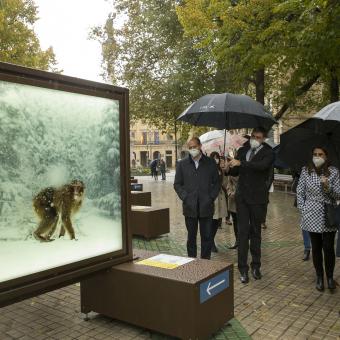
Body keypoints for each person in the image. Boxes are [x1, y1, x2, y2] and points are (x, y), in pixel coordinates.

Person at [227, 127, 274, 283]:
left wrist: (242, 162)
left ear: (263, 138)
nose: (254, 139)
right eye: (252, 136)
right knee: (242, 234)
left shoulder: (268, 152)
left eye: (258, 137)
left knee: (255, 233)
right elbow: (236, 172)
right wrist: (228, 167)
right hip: (242, 198)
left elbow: (261, 167)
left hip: (258, 199)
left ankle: (256, 266)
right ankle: (242, 269)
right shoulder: (243, 150)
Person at [297, 146, 340, 291]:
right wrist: (303, 209)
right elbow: (300, 191)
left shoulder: (334, 172)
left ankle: (329, 277)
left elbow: (338, 195)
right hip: (310, 212)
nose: (317, 156)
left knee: (328, 248)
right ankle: (319, 277)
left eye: (320, 154)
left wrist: (327, 186)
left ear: (326, 156)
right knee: (316, 247)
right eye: (315, 154)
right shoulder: (305, 170)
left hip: (328, 213)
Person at [174, 137, 220, 259]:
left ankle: (205, 263)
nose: (192, 149)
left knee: (207, 237)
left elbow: (217, 183)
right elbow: (177, 184)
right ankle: (192, 263)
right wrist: (185, 197)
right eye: (190, 148)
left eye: (194, 146)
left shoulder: (210, 163)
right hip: (190, 208)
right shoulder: (182, 164)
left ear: (200, 146)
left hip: (206, 207)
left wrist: (210, 198)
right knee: (191, 238)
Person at [209, 152, 228, 253]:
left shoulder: (220, 170)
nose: (216, 159)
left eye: (217, 157)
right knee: (212, 220)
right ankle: (210, 242)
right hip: (213, 198)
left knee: (217, 221)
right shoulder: (208, 169)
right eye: (214, 157)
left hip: (220, 197)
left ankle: (211, 240)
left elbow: (225, 182)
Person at [292, 171, 311, 261]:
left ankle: (317, 248)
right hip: (306, 201)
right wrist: (301, 206)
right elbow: (298, 188)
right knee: (305, 226)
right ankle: (307, 248)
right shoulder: (304, 169)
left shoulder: (331, 170)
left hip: (322, 204)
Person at [226, 170, 239, 249]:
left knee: (242, 222)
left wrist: (236, 193)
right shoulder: (231, 170)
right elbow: (229, 183)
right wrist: (230, 192)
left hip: (241, 198)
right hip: (232, 200)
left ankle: (243, 241)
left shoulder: (242, 168)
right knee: (235, 221)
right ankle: (237, 241)